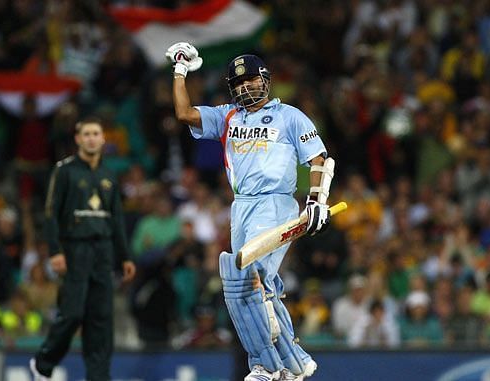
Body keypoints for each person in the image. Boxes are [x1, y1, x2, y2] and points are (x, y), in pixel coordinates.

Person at [166, 42, 331, 381]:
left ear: (265, 81)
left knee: (247, 281)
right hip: (241, 207)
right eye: (239, 84)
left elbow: (319, 159)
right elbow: (184, 114)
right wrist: (180, 70)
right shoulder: (228, 115)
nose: (245, 87)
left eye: (251, 80)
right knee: (256, 285)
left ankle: (266, 365)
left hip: (276, 202)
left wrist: (317, 201)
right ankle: (294, 362)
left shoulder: (290, 116)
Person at [29, 117, 136, 381]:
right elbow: (51, 214)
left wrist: (124, 256)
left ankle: (99, 378)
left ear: (102, 139)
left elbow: (117, 219)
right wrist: (54, 251)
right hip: (75, 250)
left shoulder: (109, 175)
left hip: (104, 252)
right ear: (77, 139)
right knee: (73, 312)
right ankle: (43, 363)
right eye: (86, 133)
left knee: (101, 320)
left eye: (95, 133)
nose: (91, 138)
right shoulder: (64, 170)